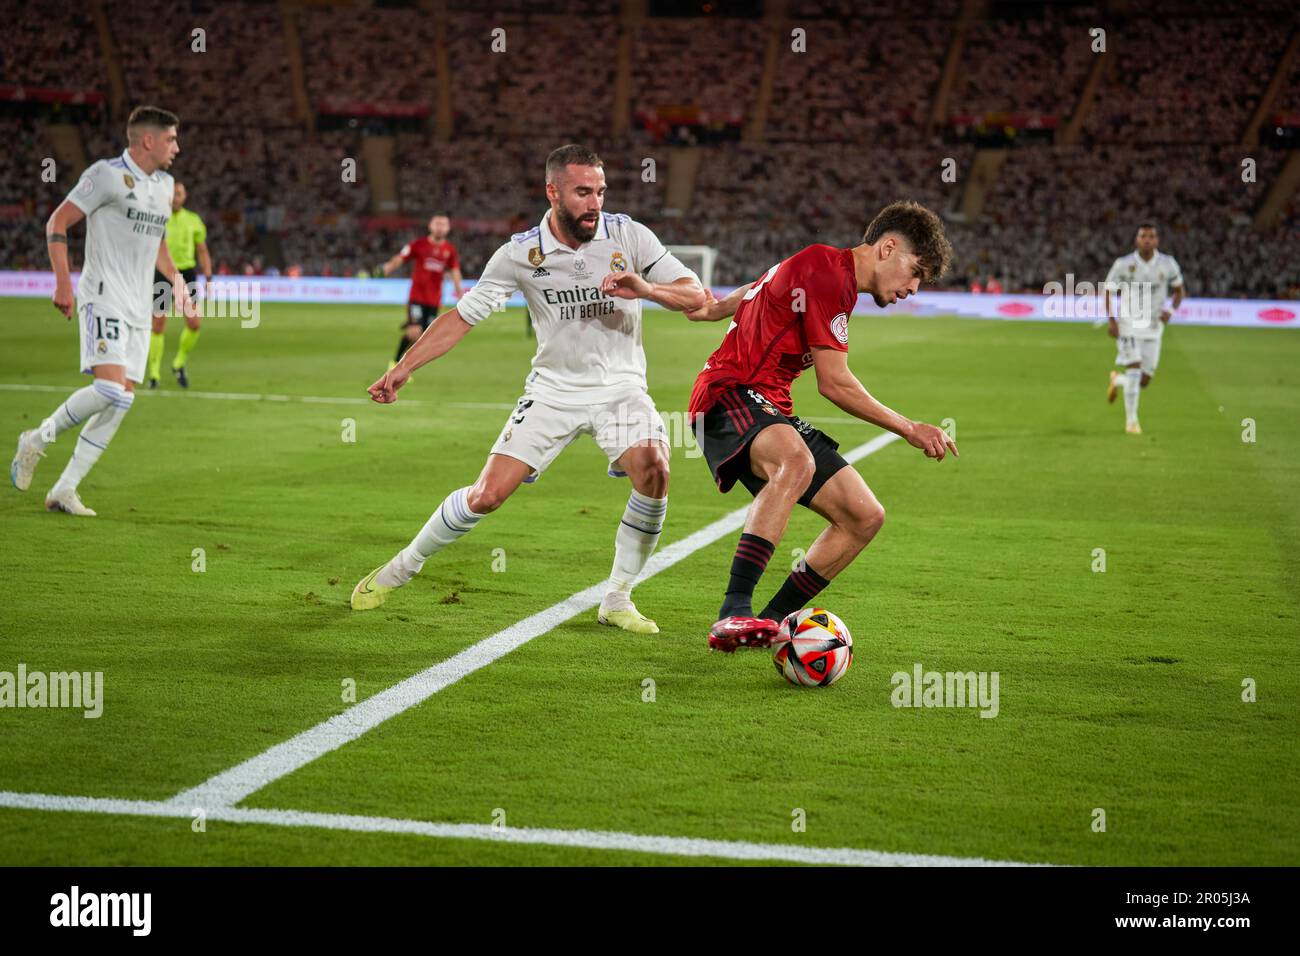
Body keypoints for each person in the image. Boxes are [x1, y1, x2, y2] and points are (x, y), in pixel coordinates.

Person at [350, 144, 706, 634]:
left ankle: (618, 597)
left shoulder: (629, 235)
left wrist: (646, 290)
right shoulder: (520, 253)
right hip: (553, 391)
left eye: (600, 191)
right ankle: (402, 566)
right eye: (583, 192)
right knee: (486, 496)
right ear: (552, 191)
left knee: (656, 470)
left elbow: (694, 295)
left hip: (620, 389)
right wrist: (405, 367)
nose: (595, 203)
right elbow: (462, 317)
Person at [684, 201, 959, 651]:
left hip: (770, 405)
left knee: (864, 516)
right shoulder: (826, 270)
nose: (914, 287)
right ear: (888, 247)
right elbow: (834, 383)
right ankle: (734, 610)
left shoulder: (825, 273)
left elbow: (756, 288)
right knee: (796, 462)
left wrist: (714, 309)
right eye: (916, 272)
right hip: (728, 392)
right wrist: (909, 427)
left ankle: (770, 626)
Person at [11, 106, 195, 516]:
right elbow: (58, 222)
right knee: (110, 389)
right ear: (147, 140)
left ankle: (64, 488)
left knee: (123, 400)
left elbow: (159, 246)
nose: (176, 148)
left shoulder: (165, 186)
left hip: (138, 305)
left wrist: (179, 285)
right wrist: (63, 282)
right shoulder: (105, 175)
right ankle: (36, 440)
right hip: (103, 294)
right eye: (171, 139)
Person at [1103, 224, 1185, 434]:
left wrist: (1171, 311)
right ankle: (1132, 422)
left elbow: (1179, 291)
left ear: (1157, 241)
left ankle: (1118, 380)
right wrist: (1112, 320)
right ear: (1136, 240)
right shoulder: (1123, 264)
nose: (1147, 240)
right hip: (1128, 323)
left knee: (1144, 379)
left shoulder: (1168, 264)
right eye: (1143, 236)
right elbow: (1108, 291)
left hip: (1153, 326)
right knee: (1134, 367)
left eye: (1151, 236)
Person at [147, 180, 211, 388]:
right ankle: (154, 374)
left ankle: (179, 363)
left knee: (194, 323)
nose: (176, 197)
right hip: (163, 273)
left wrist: (208, 276)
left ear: (185, 196)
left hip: (187, 273)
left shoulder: (193, 220)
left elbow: (202, 250)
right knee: (157, 324)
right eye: (173, 193)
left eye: (179, 193)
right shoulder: (158, 218)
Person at [377, 214, 463, 366]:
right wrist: (388, 267)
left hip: (434, 300)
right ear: (430, 226)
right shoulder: (418, 244)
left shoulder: (450, 250)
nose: (440, 227)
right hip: (416, 297)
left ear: (448, 228)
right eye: (437, 224)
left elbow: (455, 271)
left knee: (422, 336)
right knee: (414, 332)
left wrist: (459, 293)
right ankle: (396, 364)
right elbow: (401, 257)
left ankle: (403, 365)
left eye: (443, 224)